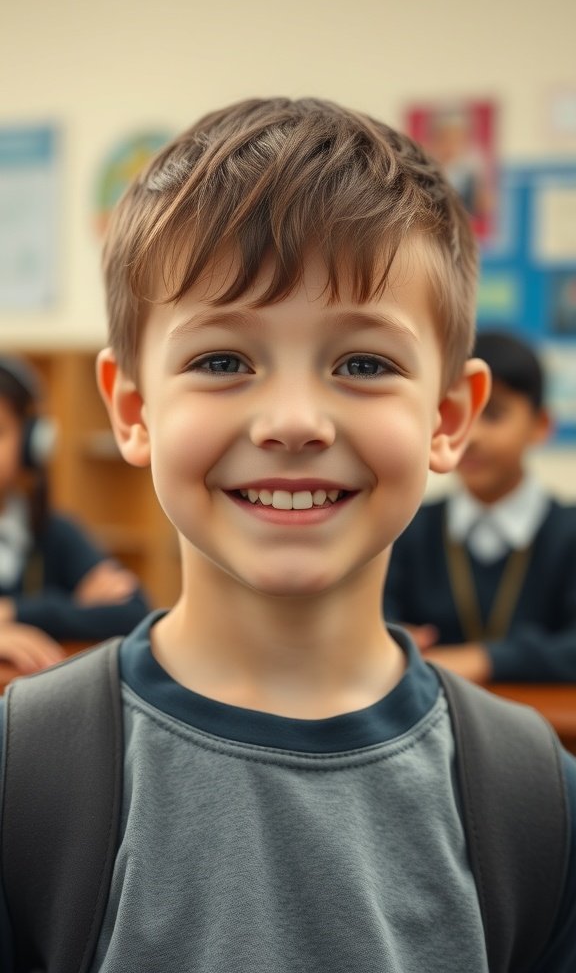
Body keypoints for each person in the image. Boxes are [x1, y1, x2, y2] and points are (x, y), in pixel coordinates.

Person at [1, 98, 575, 970]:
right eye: (224, 361)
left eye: (364, 364)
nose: (296, 422)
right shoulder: (21, 778)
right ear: (132, 408)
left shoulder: (542, 808)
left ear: (449, 416)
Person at [384, 330, 576, 684]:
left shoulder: (568, 532)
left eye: (494, 414)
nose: (470, 437)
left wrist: (485, 660)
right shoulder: (406, 527)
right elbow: (375, 622)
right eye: (455, 415)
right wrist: (391, 638)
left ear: (540, 425)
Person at [0, 354, 150, 673]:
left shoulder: (53, 532)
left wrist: (17, 612)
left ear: (30, 445)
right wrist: (75, 606)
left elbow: (133, 612)